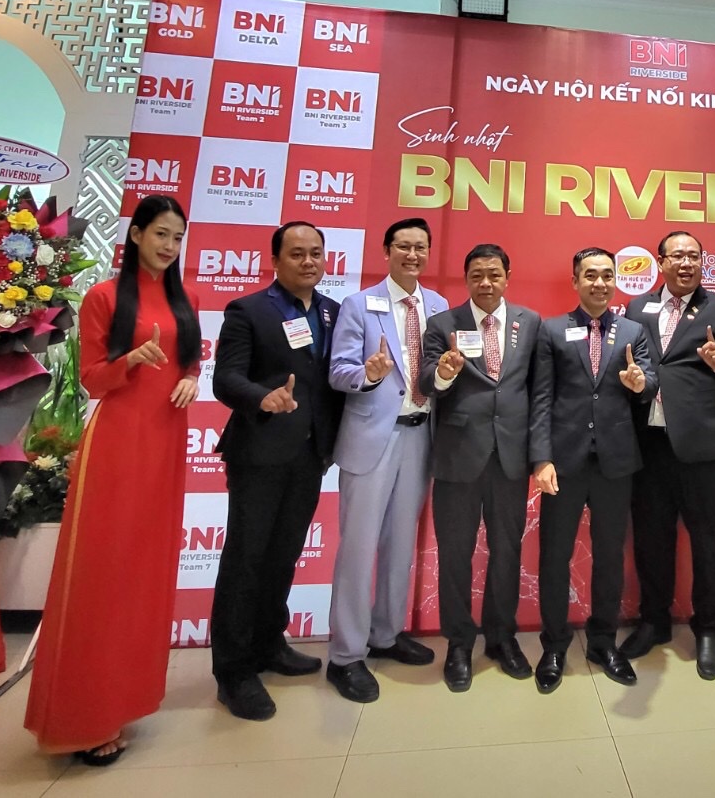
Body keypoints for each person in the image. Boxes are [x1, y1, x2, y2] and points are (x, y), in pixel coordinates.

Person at [25, 195, 201, 765]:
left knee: (143, 576)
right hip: (119, 445)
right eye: (161, 234)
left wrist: (192, 378)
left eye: (177, 237)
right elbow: (93, 381)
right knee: (103, 574)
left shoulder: (187, 298)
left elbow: (189, 360)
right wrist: (131, 360)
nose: (170, 246)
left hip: (166, 442)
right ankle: (82, 716)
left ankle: (123, 700)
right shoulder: (103, 297)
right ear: (136, 235)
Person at [209, 221, 345, 721]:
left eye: (316, 253)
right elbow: (225, 378)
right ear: (275, 260)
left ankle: (269, 643)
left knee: (284, 556)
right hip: (259, 452)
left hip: (310, 455)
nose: (309, 262)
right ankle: (233, 672)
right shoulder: (248, 310)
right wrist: (261, 398)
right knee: (246, 560)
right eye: (297, 254)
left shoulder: (332, 311)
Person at [325, 218, 449, 703]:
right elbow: (339, 371)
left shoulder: (438, 306)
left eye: (420, 247)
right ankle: (346, 655)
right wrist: (370, 373)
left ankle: (386, 633)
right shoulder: (359, 305)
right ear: (386, 250)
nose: (412, 255)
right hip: (372, 439)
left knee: (401, 543)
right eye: (403, 246)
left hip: (421, 436)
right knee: (358, 548)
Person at [620, 231, 715, 680]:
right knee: (651, 538)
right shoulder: (637, 308)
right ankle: (653, 621)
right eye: (677, 255)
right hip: (649, 444)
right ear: (660, 262)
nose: (686, 263)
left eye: (694, 256)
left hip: (700, 446)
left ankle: (709, 629)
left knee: (708, 541)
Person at [529, 247, 657, 693]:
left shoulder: (634, 331)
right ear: (576, 281)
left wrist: (641, 384)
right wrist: (541, 458)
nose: (600, 283)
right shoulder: (551, 329)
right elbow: (541, 398)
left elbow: (649, 381)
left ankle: (603, 642)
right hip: (563, 463)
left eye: (607, 275)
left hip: (615, 462)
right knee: (554, 556)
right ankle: (554, 645)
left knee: (609, 556)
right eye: (590, 275)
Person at [419, 243, 542, 692]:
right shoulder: (442, 324)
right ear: (466, 278)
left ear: (507, 276)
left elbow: (539, 392)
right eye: (476, 275)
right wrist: (445, 372)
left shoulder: (530, 323)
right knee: (455, 555)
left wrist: (539, 453)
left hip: (510, 457)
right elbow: (425, 382)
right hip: (458, 457)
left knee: (507, 552)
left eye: (494, 274)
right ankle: (458, 644)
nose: (486, 283)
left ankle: (501, 637)